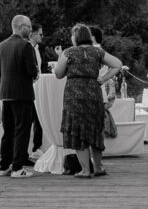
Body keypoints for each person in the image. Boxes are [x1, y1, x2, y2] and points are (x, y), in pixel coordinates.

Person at [54, 23, 123, 178]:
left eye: (72, 35)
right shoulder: (97, 51)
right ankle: (98, 168)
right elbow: (117, 64)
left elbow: (58, 74)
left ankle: (85, 170)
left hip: (74, 95)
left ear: (76, 37)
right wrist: (104, 78)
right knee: (94, 128)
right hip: (93, 93)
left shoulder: (69, 52)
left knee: (78, 130)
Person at [0, 14, 39, 178]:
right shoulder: (26, 46)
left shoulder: (1, 46)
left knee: (8, 132)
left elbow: (0, 71)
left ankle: (4, 165)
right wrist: (35, 75)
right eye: (28, 27)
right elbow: (32, 71)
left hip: (6, 94)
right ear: (21, 27)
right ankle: (18, 167)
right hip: (22, 94)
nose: (30, 30)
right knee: (22, 131)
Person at [28, 25, 46, 156]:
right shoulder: (26, 48)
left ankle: (36, 147)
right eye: (40, 34)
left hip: (38, 88)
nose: (42, 36)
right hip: (28, 88)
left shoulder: (38, 49)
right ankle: (29, 149)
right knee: (29, 119)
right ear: (33, 34)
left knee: (38, 117)